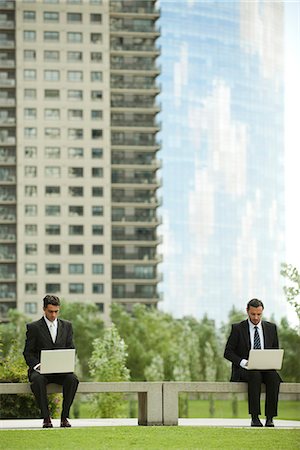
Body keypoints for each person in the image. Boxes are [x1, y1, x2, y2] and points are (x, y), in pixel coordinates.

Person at [23, 295, 79, 428]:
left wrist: (67, 363)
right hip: (40, 371)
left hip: (60, 371)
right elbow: (27, 352)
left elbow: (71, 348)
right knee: (38, 381)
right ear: (44, 309)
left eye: (56, 311)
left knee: (73, 379)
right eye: (50, 311)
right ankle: (46, 418)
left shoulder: (67, 326)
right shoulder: (34, 327)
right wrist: (38, 366)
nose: (53, 315)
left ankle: (64, 417)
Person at [224, 298, 282, 427]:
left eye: (259, 314)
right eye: (253, 314)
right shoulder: (238, 328)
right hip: (245, 370)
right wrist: (244, 362)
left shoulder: (271, 328)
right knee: (254, 374)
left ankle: (270, 418)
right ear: (247, 311)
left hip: (266, 368)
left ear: (262, 312)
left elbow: (274, 350)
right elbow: (228, 352)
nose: (256, 317)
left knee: (274, 377)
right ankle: (255, 417)